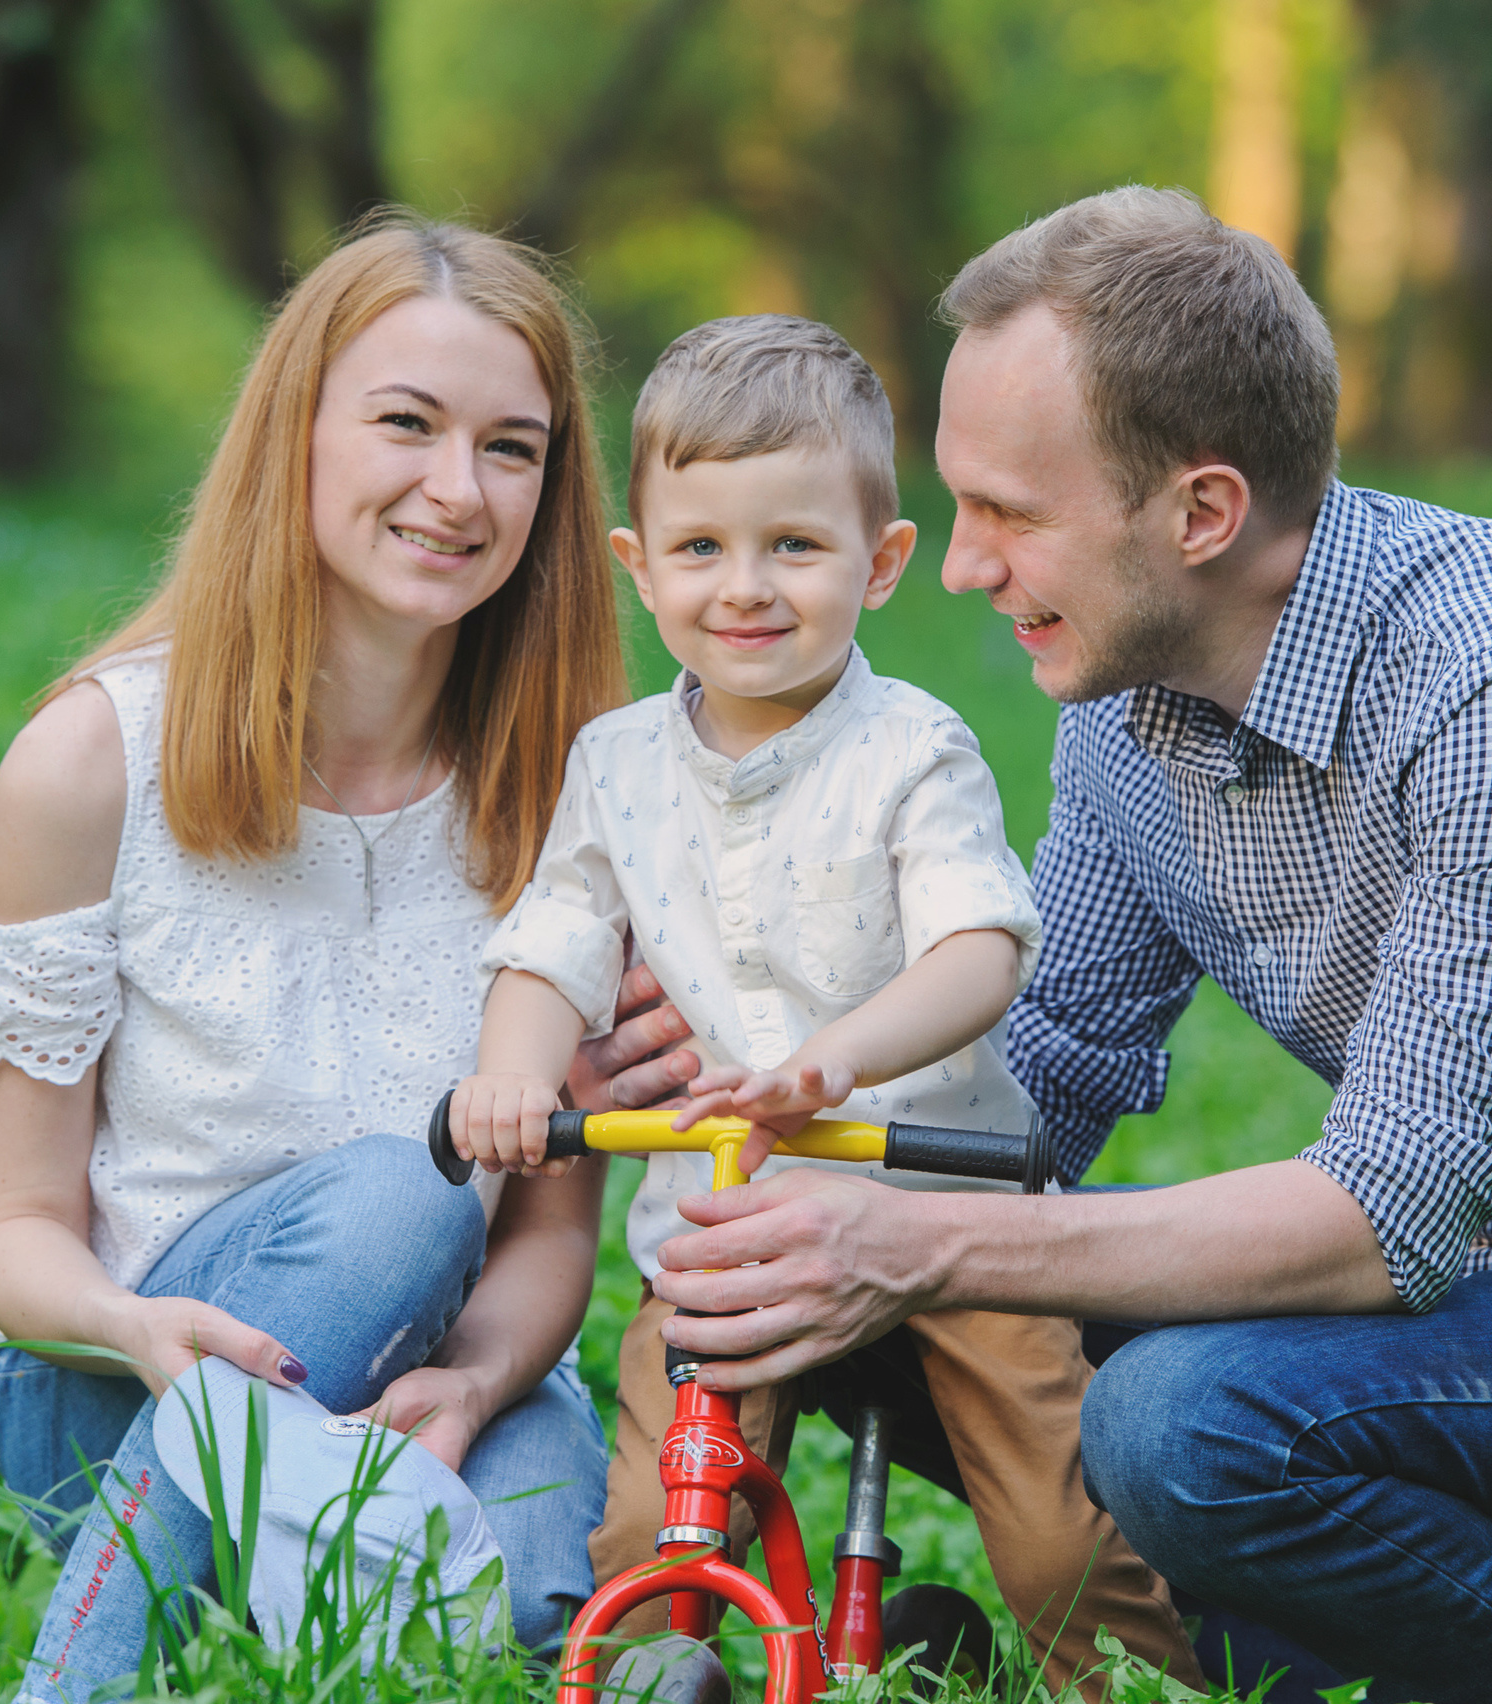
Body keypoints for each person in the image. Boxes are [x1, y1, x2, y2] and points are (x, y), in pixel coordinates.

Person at [634, 188, 1492, 1704]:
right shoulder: (1132, 712)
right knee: (867, 1304)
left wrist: (922, 1240)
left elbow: (1385, 1219)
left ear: (1201, 514)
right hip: (1484, 1313)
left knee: (1183, 1421)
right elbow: (1030, 1098)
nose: (961, 567)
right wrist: (766, 1105)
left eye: (1011, 513)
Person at [0, 215, 680, 1701]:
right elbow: (13, 1236)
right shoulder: (92, 765)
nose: (457, 490)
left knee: (539, 1608)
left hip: (441, 1374)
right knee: (410, 1187)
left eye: (511, 448)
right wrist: (139, 1329)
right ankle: (85, 1671)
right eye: (406, 423)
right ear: (299, 434)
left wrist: (470, 1386)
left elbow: (546, 1243)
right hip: (124, 1392)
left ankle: (315, 1611)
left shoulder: (581, 803)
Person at [445, 315, 1201, 1694]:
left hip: (942, 1209)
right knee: (651, 1522)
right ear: (638, 566)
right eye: (701, 550)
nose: (746, 588)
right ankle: (659, 1662)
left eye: (794, 546)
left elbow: (980, 948)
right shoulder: (614, 764)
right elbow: (554, 936)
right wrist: (514, 1073)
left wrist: (829, 1064)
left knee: (1053, 1541)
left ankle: (1136, 1676)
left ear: (884, 559)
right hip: (727, 1226)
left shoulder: (914, 748)